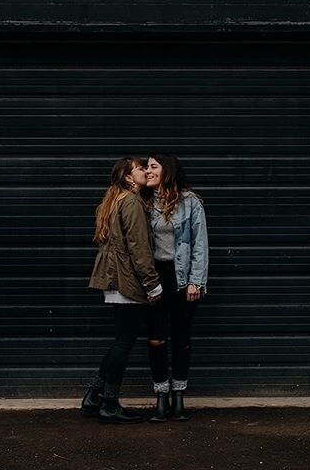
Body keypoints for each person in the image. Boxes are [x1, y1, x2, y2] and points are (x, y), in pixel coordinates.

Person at [82, 157, 163, 424]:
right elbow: (139, 249)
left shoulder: (116, 199)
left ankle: (94, 396)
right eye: (140, 169)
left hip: (115, 279)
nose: (144, 171)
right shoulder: (131, 202)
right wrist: (152, 284)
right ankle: (109, 403)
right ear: (129, 178)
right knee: (124, 343)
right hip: (127, 280)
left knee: (119, 341)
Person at [144, 153, 209, 422]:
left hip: (182, 278)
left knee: (181, 339)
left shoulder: (190, 202)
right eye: (147, 167)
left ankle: (179, 398)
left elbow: (199, 244)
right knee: (157, 339)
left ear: (167, 171)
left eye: (152, 166)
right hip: (153, 278)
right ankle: (161, 397)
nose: (147, 171)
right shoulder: (144, 203)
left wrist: (196, 280)